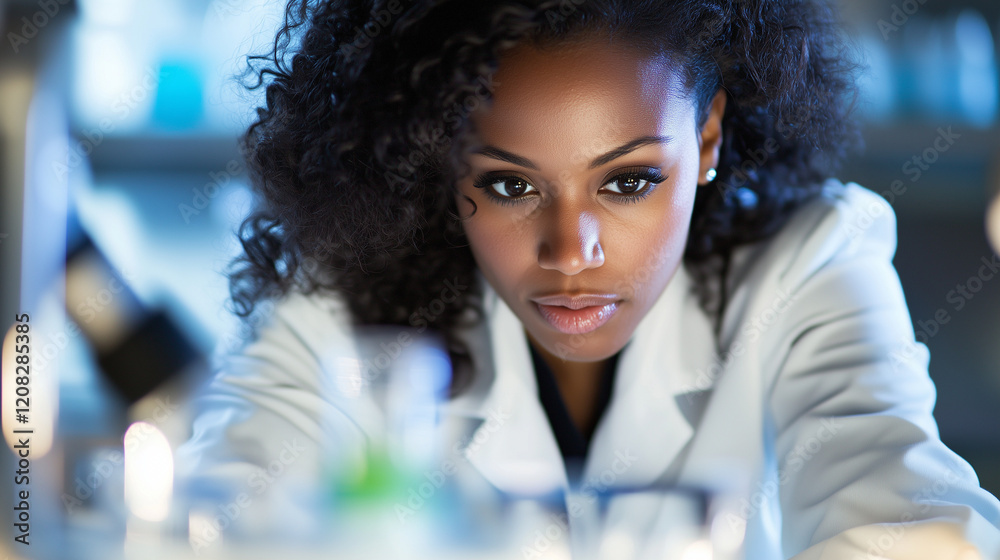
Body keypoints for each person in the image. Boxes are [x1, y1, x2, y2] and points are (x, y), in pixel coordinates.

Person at [176, 0, 1000, 558]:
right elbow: (219, 521)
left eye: (629, 181)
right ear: (435, 155)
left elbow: (907, 519)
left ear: (708, 136)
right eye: (509, 185)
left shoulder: (808, 259)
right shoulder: (340, 298)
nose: (572, 252)